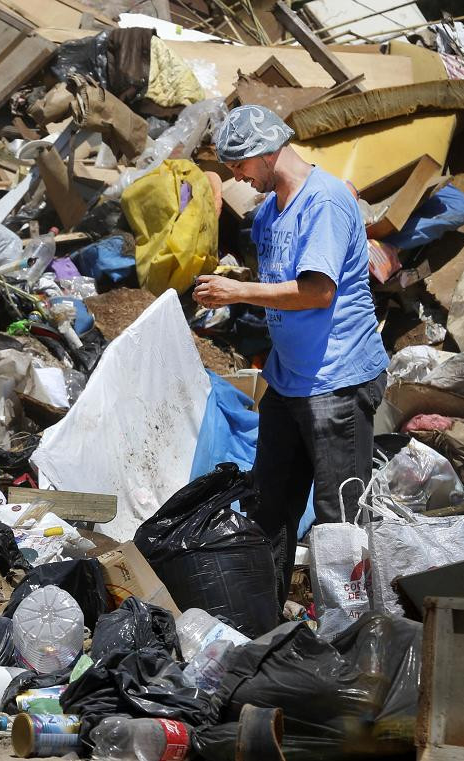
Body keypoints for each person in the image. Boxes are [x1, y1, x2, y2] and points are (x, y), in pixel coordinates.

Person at [193, 104, 389, 609]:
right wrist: (237, 284)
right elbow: (275, 277)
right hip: (288, 380)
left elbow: (317, 292)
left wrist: (239, 295)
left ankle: (346, 631)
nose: (236, 176)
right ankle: (263, 618)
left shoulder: (322, 202)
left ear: (263, 153)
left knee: (338, 515)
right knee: (270, 504)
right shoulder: (269, 210)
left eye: (239, 164)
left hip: (336, 381)